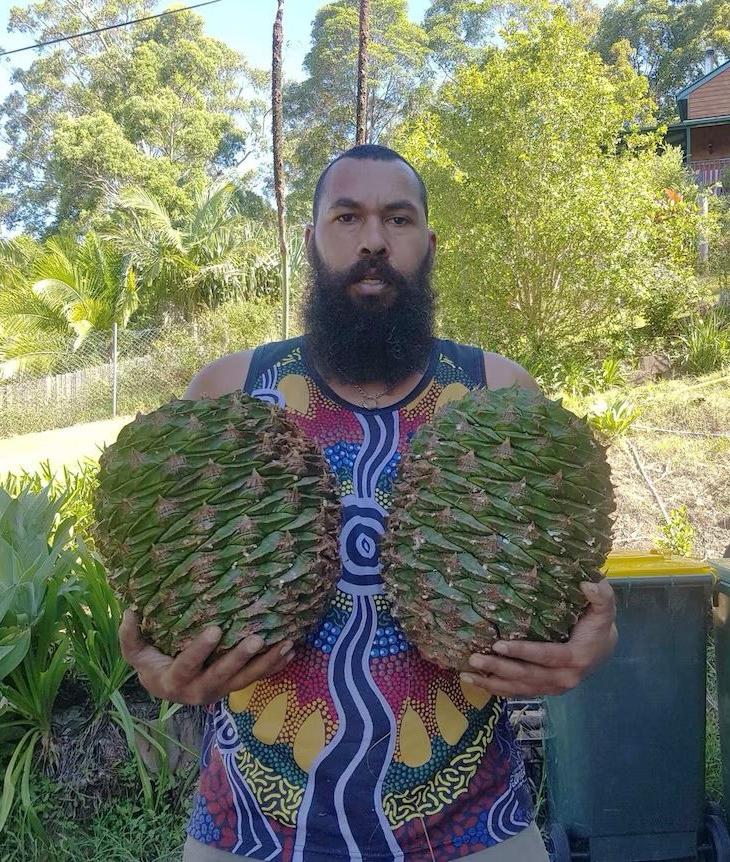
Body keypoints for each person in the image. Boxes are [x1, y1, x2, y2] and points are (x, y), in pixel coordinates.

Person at [119, 144, 618, 862]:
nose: (374, 241)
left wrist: (597, 642)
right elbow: (159, 597)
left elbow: (575, 599)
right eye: (347, 217)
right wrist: (156, 666)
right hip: (251, 832)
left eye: (399, 218)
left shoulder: (502, 397)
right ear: (312, 239)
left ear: (429, 244)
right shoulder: (226, 396)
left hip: (475, 828)